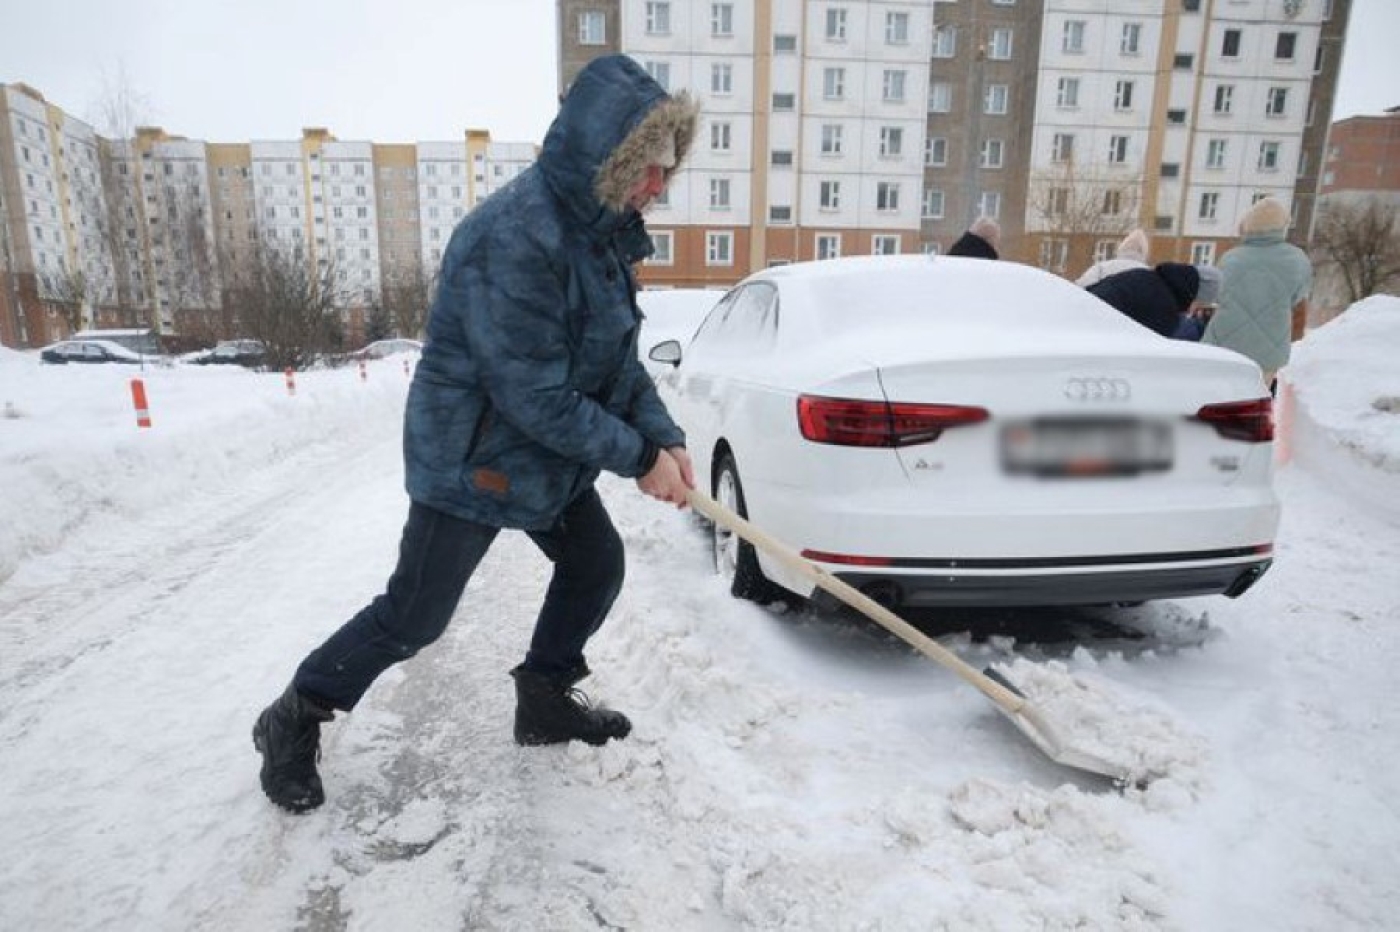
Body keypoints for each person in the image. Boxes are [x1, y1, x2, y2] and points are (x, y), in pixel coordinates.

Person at [251, 55, 700, 814]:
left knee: (595, 561)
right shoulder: (514, 238)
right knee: (415, 617)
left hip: (542, 456)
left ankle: (545, 697)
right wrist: (639, 459)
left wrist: (666, 437)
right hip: (473, 458)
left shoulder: (604, 236)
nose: (659, 186)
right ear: (608, 160)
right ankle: (295, 713)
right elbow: (537, 396)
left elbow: (617, 364)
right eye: (649, 169)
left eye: (666, 170)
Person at [1202, 196, 1313, 389]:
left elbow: (1217, 297)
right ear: (1283, 227)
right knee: (1253, 405)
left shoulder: (1230, 258)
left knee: (1217, 401)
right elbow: (1299, 302)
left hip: (1223, 345)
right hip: (1268, 353)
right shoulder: (1297, 259)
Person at [1086, 262, 1222, 338]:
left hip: (1082, 314)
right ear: (1196, 296)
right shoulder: (1165, 310)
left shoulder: (1144, 275)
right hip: (1095, 335)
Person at [1075, 228, 1151, 287]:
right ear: (1144, 252)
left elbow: (1081, 288)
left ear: (1122, 247)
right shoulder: (1151, 276)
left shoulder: (1101, 268)